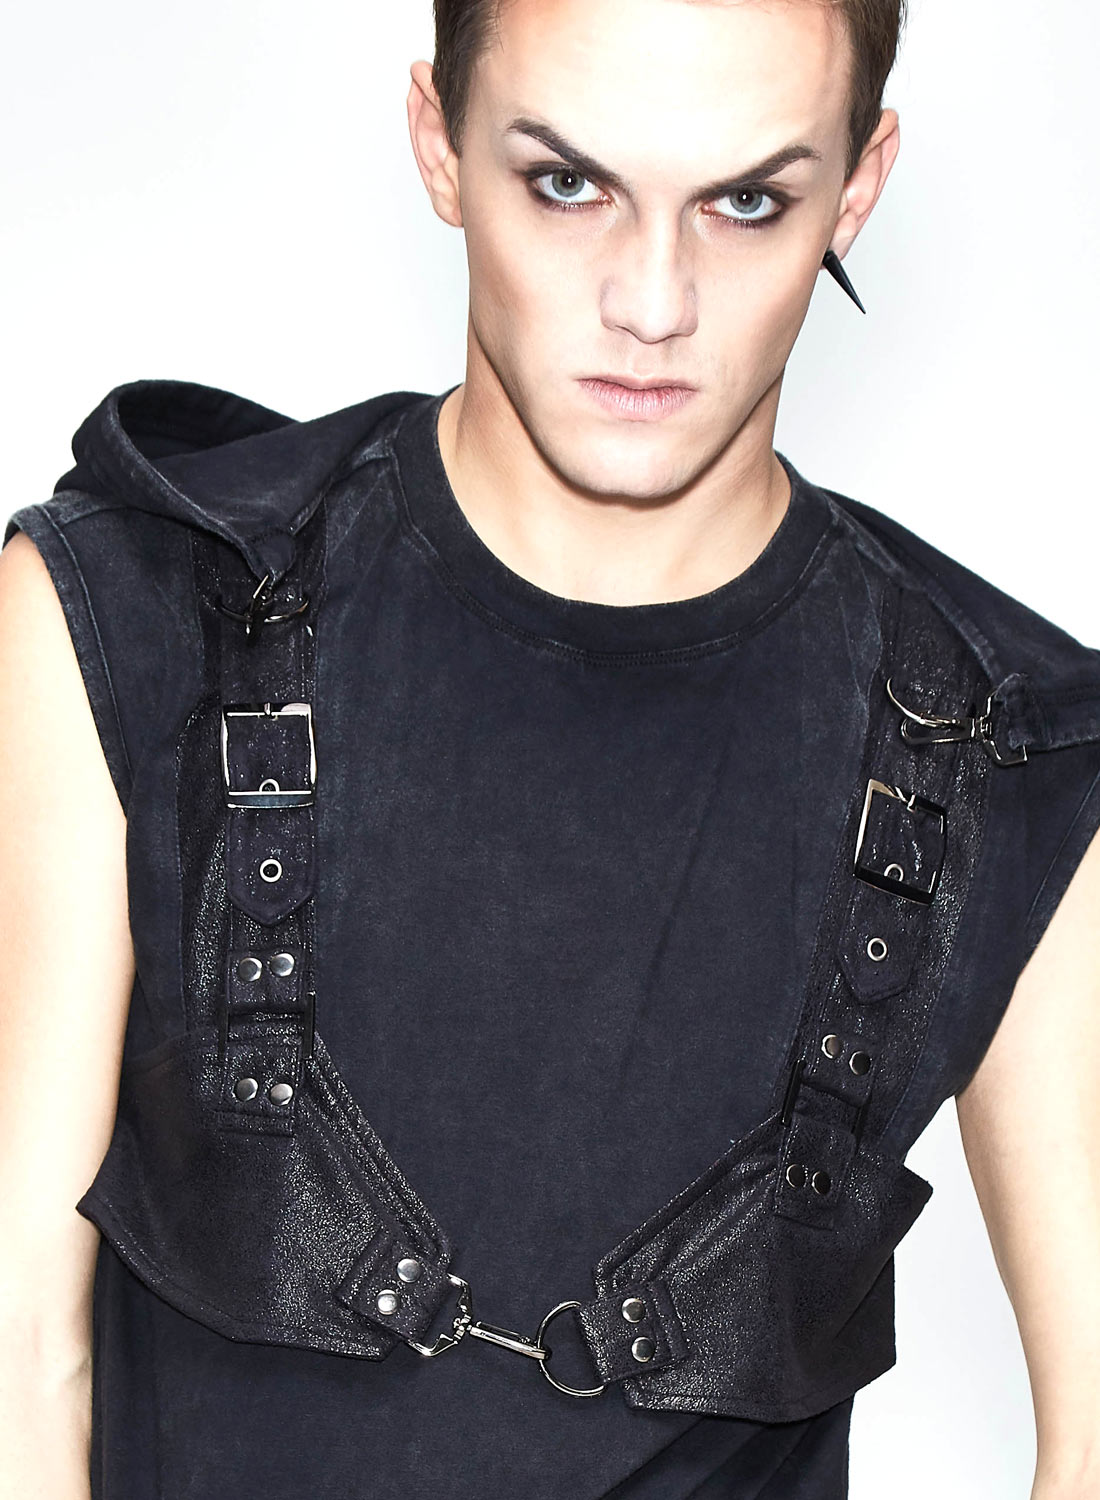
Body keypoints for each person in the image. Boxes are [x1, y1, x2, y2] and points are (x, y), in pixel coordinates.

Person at [1, 0, 1098, 1497]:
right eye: (568, 183)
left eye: (747, 202)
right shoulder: (134, 612)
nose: (652, 300)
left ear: (858, 188)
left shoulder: (1010, 750)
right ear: (438, 145)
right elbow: (20, 1357)